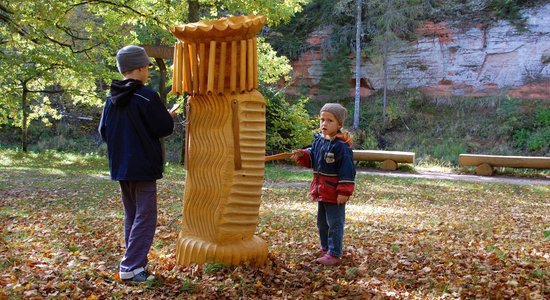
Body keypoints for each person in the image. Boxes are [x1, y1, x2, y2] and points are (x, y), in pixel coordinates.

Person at [98, 45, 178, 283]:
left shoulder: (111, 100)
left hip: (121, 167)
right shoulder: (147, 96)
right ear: (140, 68)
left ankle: (136, 265)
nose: (148, 72)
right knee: (145, 216)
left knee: (132, 215)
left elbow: (104, 132)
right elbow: (163, 127)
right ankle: (130, 267)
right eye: (147, 68)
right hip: (143, 167)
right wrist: (168, 115)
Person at [291, 103, 356, 266]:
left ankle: (334, 253)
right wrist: (303, 155)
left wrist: (344, 191)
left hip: (334, 193)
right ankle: (326, 248)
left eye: (330, 120)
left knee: (335, 222)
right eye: (322, 119)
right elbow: (312, 158)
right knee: (322, 222)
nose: (324, 124)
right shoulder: (319, 141)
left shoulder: (341, 147)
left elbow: (347, 170)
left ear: (339, 125)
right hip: (322, 191)